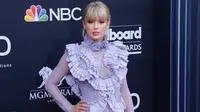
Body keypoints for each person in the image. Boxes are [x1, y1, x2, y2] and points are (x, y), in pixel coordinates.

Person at [43, 1, 135, 112]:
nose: (96, 27)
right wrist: (70, 108)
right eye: (91, 22)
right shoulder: (74, 54)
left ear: (108, 23)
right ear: (84, 24)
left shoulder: (117, 52)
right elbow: (50, 84)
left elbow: (124, 89)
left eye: (101, 22)